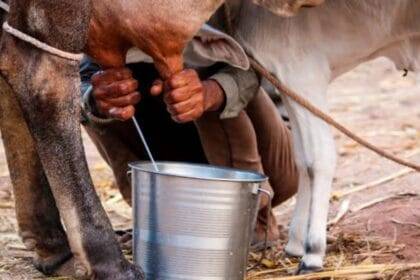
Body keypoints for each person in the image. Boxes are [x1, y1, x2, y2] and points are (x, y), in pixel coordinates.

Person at [80, 22, 298, 247]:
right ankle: (158, 218)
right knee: (102, 95)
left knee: (198, 70)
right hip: (184, 169)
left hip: (274, 165)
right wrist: (96, 99)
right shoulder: (108, 17)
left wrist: (208, 94)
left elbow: (255, 67)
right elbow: (75, 84)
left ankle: (255, 220)